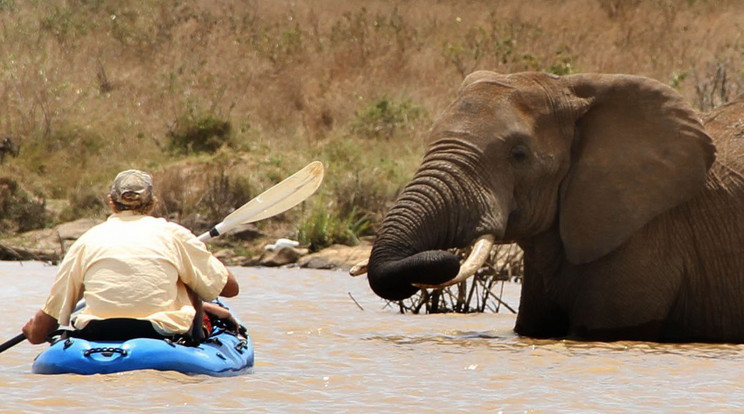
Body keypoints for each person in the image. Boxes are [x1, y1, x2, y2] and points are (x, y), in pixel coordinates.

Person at [22, 169, 239, 344]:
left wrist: (35, 331)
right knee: (188, 283)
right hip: (158, 334)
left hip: (97, 332)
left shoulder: (86, 241)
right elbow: (230, 288)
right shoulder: (174, 234)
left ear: (111, 202)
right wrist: (200, 255)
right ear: (153, 203)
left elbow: (47, 322)